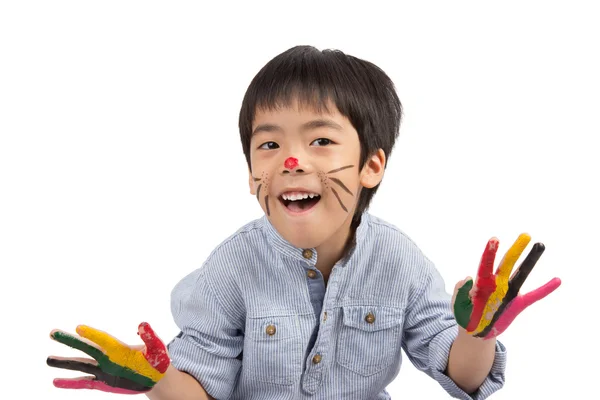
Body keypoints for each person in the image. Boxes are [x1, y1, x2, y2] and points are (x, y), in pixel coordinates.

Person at [47, 45, 560, 399]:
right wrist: (155, 377)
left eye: (320, 140)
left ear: (371, 167)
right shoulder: (231, 267)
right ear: (252, 175)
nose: (291, 161)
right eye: (269, 144)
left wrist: (479, 334)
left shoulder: (399, 261)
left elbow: (461, 375)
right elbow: (201, 389)